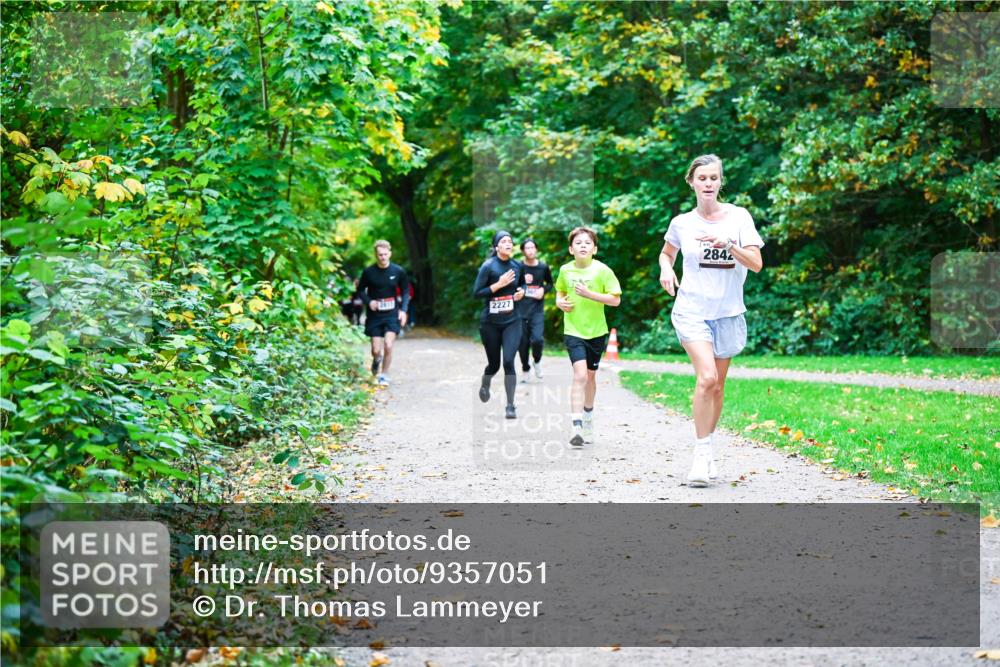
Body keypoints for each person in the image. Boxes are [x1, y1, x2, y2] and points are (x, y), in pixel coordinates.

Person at [658, 154, 764, 487]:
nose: (708, 183)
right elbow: (667, 253)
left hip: (729, 312)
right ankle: (701, 456)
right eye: (702, 178)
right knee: (705, 378)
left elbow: (757, 263)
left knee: (718, 386)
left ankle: (708, 445)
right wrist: (665, 268)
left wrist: (730, 244)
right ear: (691, 182)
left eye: (713, 178)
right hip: (691, 309)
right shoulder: (681, 223)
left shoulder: (739, 217)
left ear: (720, 182)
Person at [555, 227, 622, 447]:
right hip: (573, 330)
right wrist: (559, 301)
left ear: (594, 248)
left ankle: (589, 417)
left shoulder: (603, 271)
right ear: (570, 249)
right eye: (578, 242)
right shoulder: (565, 270)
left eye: (587, 242)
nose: (583, 245)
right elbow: (561, 290)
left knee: (591, 377)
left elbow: (615, 300)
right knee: (580, 375)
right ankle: (576, 426)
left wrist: (589, 294)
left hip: (597, 332)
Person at [472, 230, 526, 419]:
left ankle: (510, 406)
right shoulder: (488, 266)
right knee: (494, 365)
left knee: (509, 361)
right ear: (496, 247)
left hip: (513, 320)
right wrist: (499, 284)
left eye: (510, 241)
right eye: (504, 241)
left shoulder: (517, 265)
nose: (508, 244)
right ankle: (485, 383)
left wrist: (521, 292)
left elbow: (522, 285)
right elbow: (477, 292)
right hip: (490, 323)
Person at [356, 240, 409, 387]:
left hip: (392, 313)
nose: (383, 257)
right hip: (375, 315)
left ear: (390, 253)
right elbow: (360, 290)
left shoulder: (398, 271)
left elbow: (405, 291)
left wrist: (403, 310)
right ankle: (376, 360)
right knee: (375, 350)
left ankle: (384, 374)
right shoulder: (368, 272)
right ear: (376, 255)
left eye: (385, 254)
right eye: (380, 255)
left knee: (388, 344)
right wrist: (369, 302)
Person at [516, 238, 553, 382]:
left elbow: (550, 283)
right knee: (522, 343)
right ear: (523, 251)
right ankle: (525, 368)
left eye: (533, 247)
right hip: (520, 310)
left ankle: (536, 361)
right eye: (527, 248)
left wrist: (543, 290)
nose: (530, 250)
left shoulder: (543, 267)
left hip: (537, 310)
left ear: (536, 250)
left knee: (537, 339)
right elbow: (514, 285)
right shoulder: (518, 267)